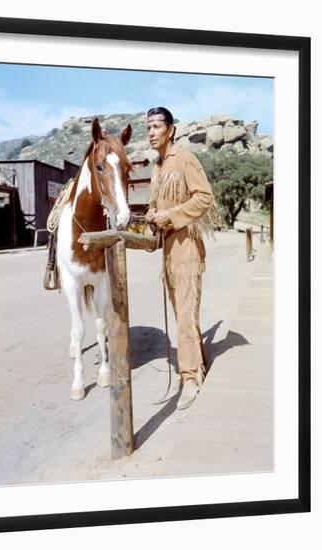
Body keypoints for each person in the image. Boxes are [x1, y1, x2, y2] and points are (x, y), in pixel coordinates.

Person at [145, 107, 220, 410]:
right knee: (181, 314)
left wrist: (171, 216)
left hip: (187, 248)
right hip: (168, 251)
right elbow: (155, 206)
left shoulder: (184, 158)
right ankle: (196, 363)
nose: (150, 132)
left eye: (155, 126)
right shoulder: (157, 167)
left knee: (186, 316)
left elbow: (204, 197)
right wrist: (152, 215)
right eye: (147, 127)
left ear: (171, 129)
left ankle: (190, 378)